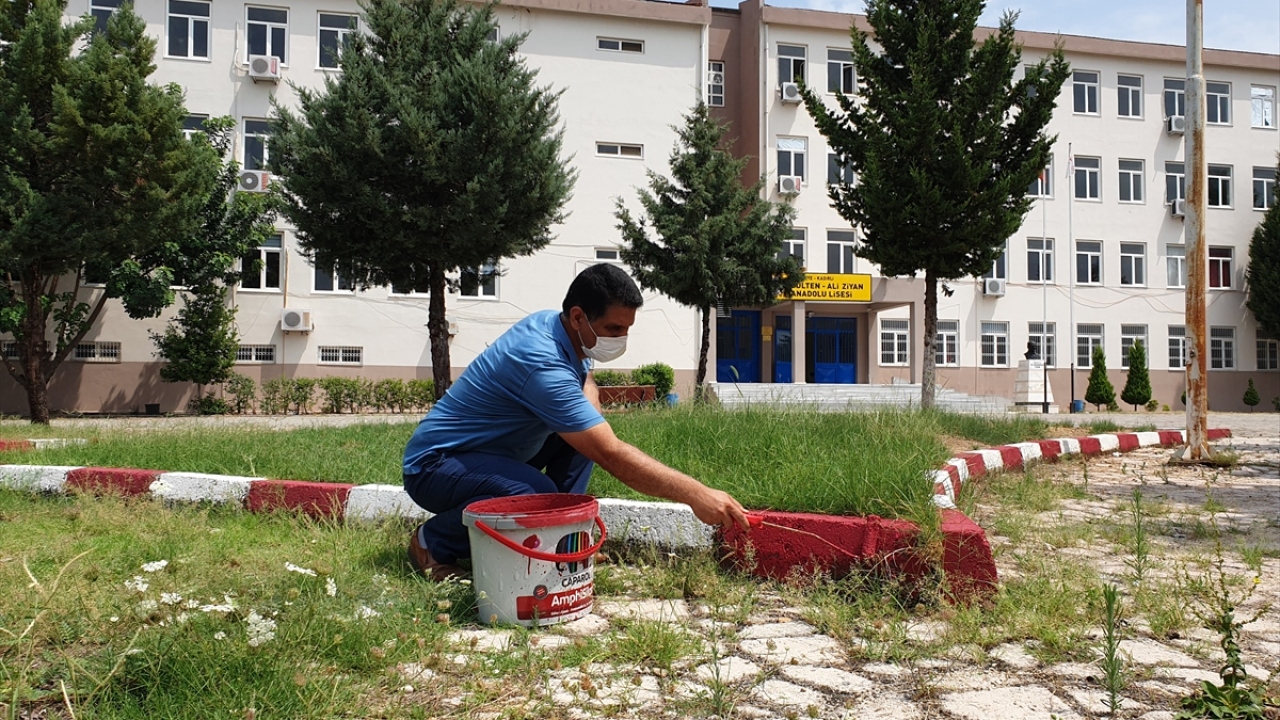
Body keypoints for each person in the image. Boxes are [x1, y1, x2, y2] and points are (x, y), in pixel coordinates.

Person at [401, 263, 749, 580]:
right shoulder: (541, 361)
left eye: (626, 329)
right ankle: (432, 542)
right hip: (436, 466)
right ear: (579, 316)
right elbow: (611, 455)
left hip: (492, 453)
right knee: (536, 493)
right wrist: (695, 494)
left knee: (585, 439)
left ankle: (553, 540)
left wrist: (591, 408)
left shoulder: (557, 325)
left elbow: (584, 377)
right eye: (613, 328)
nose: (620, 339)